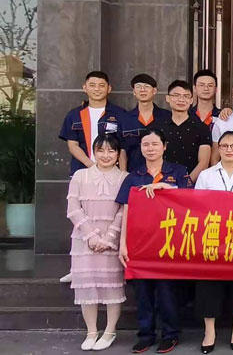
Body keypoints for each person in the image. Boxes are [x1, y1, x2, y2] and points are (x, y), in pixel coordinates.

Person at [116, 129, 193, 354]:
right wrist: (123, 243)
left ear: (164, 146)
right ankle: (146, 335)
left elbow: (191, 199)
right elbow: (126, 210)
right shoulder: (133, 176)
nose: (150, 148)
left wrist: (165, 187)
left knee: (167, 292)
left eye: (155, 144)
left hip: (169, 242)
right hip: (141, 243)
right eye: (145, 144)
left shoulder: (178, 172)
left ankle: (170, 334)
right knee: (143, 293)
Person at [67, 133, 126, 352]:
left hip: (112, 242)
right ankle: (91, 331)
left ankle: (110, 331)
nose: (106, 155)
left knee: (112, 288)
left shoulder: (124, 178)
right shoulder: (80, 176)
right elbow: (73, 208)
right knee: (87, 286)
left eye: (111, 151)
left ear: (118, 154)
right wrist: (91, 236)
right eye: (100, 150)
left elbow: (124, 211)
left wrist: (109, 238)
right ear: (93, 152)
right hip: (84, 241)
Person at [192, 131, 233, 353]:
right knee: (208, 283)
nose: (229, 150)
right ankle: (210, 331)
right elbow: (196, 206)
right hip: (212, 234)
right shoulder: (206, 175)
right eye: (224, 145)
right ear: (218, 149)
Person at [60, 71, 126, 175]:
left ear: (109, 88)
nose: (97, 89)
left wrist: (122, 174)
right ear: (85, 87)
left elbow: (123, 147)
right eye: (92, 85)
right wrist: (92, 166)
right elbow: (72, 145)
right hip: (82, 171)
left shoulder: (120, 114)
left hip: (113, 172)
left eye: (101, 85)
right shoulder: (74, 115)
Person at [154, 80, 211, 182]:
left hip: (191, 184)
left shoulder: (201, 128)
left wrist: (187, 182)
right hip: (160, 182)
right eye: (176, 95)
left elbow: (204, 162)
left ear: (191, 100)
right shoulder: (157, 127)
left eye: (186, 96)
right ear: (168, 98)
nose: (181, 99)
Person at [120, 74, 172, 171]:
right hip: (133, 172)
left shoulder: (167, 116)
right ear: (134, 92)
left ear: (154, 91)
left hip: (163, 173)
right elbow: (122, 150)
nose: (142, 90)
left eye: (147, 86)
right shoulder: (125, 118)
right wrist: (124, 174)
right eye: (138, 87)